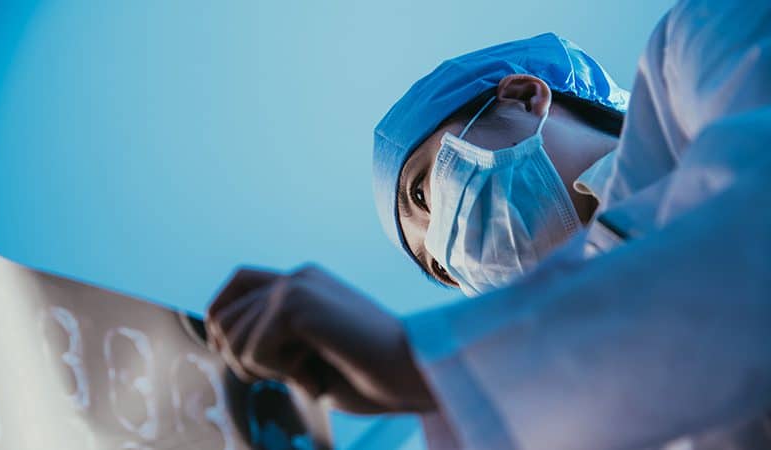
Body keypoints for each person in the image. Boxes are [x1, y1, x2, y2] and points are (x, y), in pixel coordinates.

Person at [206, 0, 771, 448]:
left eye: (424, 192)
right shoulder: (588, 409)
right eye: (438, 269)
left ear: (523, 98)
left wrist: (425, 364)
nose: (452, 255)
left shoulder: (703, 42)